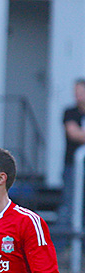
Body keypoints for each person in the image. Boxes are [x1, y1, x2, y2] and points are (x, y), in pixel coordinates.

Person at [59, 79, 85, 246]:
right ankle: (60, 252)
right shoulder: (70, 112)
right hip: (72, 167)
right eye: (75, 91)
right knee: (68, 207)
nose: (78, 95)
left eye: (81, 91)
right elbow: (73, 134)